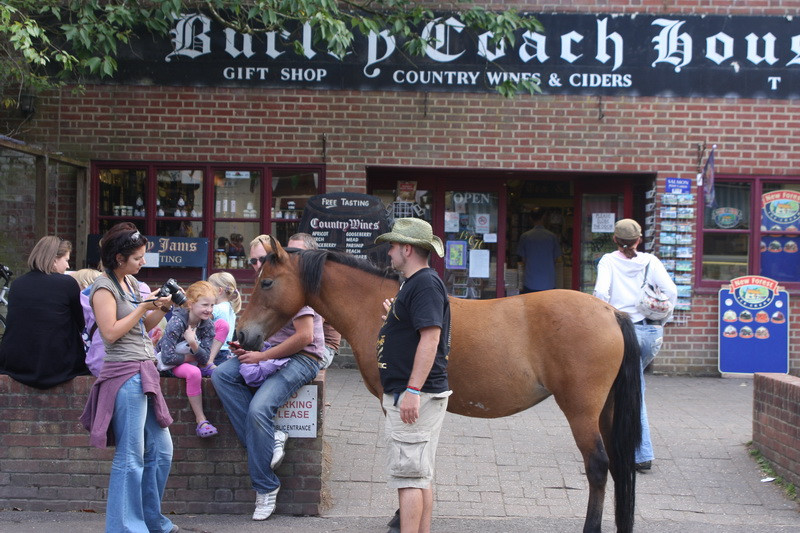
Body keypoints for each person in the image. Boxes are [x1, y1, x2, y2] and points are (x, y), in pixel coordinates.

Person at [212, 237, 327, 521]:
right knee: (222, 377)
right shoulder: (266, 283)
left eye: (261, 259)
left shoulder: (291, 284)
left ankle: (265, 487)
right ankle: (270, 437)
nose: (256, 265)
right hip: (269, 353)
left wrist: (260, 358)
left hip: (303, 358)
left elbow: (305, 338)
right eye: (252, 260)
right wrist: (245, 348)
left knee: (259, 409)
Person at [78, 222, 178, 533]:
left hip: (145, 369)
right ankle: (126, 527)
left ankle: (151, 520)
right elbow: (110, 333)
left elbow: (143, 327)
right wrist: (141, 308)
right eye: (137, 258)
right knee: (131, 456)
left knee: (162, 451)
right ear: (119, 258)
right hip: (124, 374)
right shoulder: (103, 287)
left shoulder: (131, 284)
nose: (142, 262)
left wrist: (163, 306)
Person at [374, 218, 452, 533]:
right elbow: (417, 329)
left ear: (407, 249)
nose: (389, 252)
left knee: (409, 478)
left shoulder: (424, 284)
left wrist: (413, 390)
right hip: (413, 393)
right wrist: (395, 317)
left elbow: (431, 337)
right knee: (420, 475)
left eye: (392, 246)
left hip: (414, 395)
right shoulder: (415, 284)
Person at [593, 218, 677, 473]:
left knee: (627, 389)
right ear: (639, 239)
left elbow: (601, 293)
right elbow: (671, 290)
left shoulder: (608, 260)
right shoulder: (650, 261)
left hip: (620, 330)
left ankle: (640, 453)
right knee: (628, 385)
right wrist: (665, 317)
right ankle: (624, 444)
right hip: (649, 331)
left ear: (615, 240)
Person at [0, 236, 89, 389]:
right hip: (58, 364)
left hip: (17, 361)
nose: (68, 266)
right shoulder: (67, 283)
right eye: (66, 260)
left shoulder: (17, 284)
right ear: (54, 259)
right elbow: (81, 324)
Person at [157, 280, 219, 438]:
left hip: (189, 359)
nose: (209, 310)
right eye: (205, 305)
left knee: (199, 367)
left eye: (212, 305)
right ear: (191, 304)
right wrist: (193, 356)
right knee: (194, 373)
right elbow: (167, 357)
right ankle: (201, 420)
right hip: (169, 365)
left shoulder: (208, 325)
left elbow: (205, 358)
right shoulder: (177, 322)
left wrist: (193, 343)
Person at [287, 232, 342, 369]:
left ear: (312, 254)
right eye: (289, 252)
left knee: (279, 363)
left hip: (323, 348)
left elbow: (310, 329)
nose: (292, 257)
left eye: (298, 252)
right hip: (302, 344)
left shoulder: (321, 280)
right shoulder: (299, 277)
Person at [516, 208, 561, 292]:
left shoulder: (525, 236)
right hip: (548, 282)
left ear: (530, 218)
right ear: (544, 217)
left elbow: (523, 260)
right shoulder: (552, 236)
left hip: (530, 281)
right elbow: (556, 259)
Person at [207, 272, 242, 367]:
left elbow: (200, 319)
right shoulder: (230, 308)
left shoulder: (217, 309)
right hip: (225, 351)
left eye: (208, 288)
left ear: (219, 291)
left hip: (215, 351)